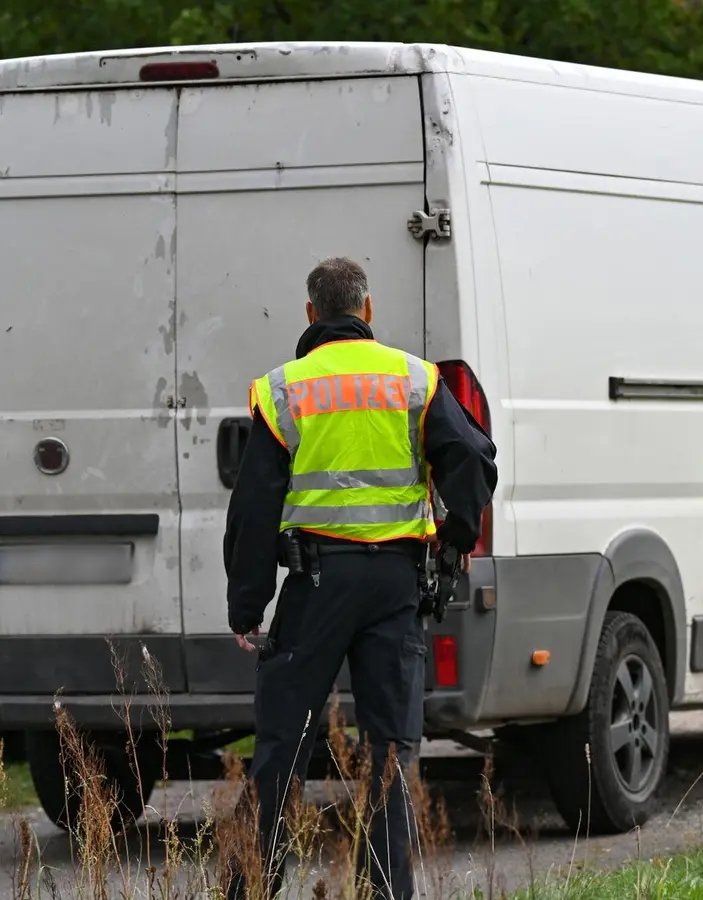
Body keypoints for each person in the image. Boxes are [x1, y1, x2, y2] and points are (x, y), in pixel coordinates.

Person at [223, 257, 497, 899]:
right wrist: (455, 541)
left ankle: (250, 890)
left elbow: (255, 506)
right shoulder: (414, 378)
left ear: (310, 313)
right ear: (368, 311)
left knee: (282, 744)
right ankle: (386, 892)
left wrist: (247, 604)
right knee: (390, 752)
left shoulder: (284, 389)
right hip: (397, 586)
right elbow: (474, 458)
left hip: (316, 583)